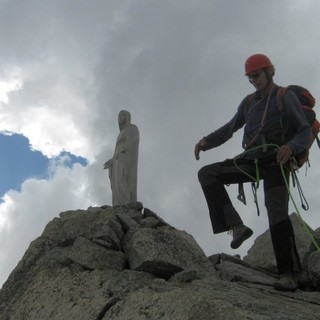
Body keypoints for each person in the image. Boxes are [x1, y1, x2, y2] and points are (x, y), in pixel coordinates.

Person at [194, 54, 311, 291]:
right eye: (250, 78)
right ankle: (236, 227)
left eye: (256, 75)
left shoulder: (284, 96)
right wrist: (206, 142)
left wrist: (290, 147)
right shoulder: (248, 103)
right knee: (208, 174)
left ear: (269, 71)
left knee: (276, 210)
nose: (253, 81)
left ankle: (290, 273)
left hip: (276, 159)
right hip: (250, 160)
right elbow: (230, 128)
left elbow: (305, 131)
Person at [104, 110, 140, 206]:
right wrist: (111, 160)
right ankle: (118, 204)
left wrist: (124, 148)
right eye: (119, 116)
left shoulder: (132, 128)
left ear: (127, 117)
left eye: (123, 115)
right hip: (117, 158)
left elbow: (134, 140)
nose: (120, 117)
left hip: (125, 156)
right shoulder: (121, 133)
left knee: (122, 178)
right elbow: (116, 149)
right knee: (116, 181)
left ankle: (125, 203)